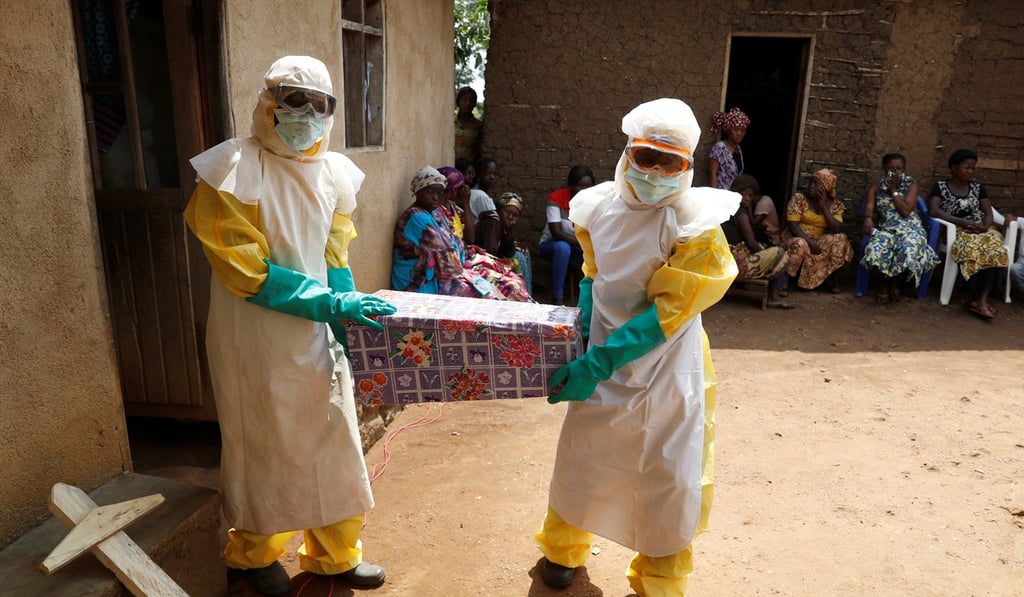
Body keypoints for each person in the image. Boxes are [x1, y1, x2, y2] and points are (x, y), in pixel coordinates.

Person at [183, 56, 395, 596]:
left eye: (318, 104)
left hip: (318, 329)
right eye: (291, 99)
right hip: (254, 336)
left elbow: (334, 250)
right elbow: (243, 269)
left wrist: (348, 315)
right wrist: (329, 304)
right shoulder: (232, 168)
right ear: (267, 102)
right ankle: (252, 557)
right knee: (267, 444)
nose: (304, 113)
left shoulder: (333, 174)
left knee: (334, 438)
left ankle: (334, 555)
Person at [536, 98, 739, 596]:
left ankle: (659, 579)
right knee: (584, 454)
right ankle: (562, 551)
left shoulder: (695, 224)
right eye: (646, 156)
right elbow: (592, 272)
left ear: (688, 167)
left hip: (668, 363)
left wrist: (600, 360)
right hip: (602, 349)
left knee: (667, 470)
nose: (655, 171)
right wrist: (584, 330)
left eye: (671, 162)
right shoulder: (596, 207)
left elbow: (670, 310)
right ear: (628, 151)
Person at [928, 149, 1008, 319]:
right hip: (957, 229)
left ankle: (982, 299)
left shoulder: (978, 188)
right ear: (953, 167)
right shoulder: (941, 186)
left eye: (973, 168)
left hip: (981, 229)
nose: (971, 171)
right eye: (967, 168)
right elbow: (934, 211)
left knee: (996, 247)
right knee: (973, 248)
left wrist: (985, 227)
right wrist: (964, 223)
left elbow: (988, 212)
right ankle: (972, 296)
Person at [860, 153, 940, 303]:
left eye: (899, 168)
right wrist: (868, 218)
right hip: (887, 229)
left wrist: (893, 191)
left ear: (904, 169)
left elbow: (905, 211)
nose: (895, 172)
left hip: (911, 229)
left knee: (907, 248)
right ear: (883, 168)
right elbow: (869, 206)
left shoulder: (912, 186)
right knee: (876, 248)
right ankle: (887, 283)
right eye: (891, 168)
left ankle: (891, 283)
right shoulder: (875, 188)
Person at [392, 167, 482, 297]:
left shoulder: (436, 212)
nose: (435, 197)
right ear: (417, 192)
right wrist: (460, 261)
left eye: (439, 192)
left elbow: (455, 242)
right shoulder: (417, 218)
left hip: (433, 275)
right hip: (415, 282)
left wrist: (458, 257)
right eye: (429, 191)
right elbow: (447, 256)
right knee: (478, 293)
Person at [782, 168, 854, 292]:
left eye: (816, 184)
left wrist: (824, 207)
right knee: (800, 243)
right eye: (810, 182)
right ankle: (783, 283)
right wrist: (811, 243)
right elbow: (793, 226)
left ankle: (831, 280)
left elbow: (836, 228)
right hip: (795, 238)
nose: (811, 186)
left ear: (826, 188)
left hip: (818, 240)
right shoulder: (799, 199)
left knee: (841, 239)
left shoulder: (835, 205)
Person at [727, 175, 792, 308]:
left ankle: (741, 285)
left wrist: (749, 208)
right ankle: (773, 297)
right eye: (743, 194)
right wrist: (767, 255)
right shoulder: (740, 214)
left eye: (750, 196)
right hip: (736, 266)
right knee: (780, 254)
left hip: (725, 261)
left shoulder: (726, 209)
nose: (746, 198)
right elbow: (751, 242)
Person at [539, 165, 594, 305]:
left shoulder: (593, 204)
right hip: (551, 245)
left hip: (577, 248)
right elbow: (556, 233)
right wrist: (583, 243)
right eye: (579, 186)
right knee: (563, 247)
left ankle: (589, 300)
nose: (583, 190)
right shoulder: (557, 198)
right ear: (571, 186)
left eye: (587, 186)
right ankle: (558, 298)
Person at [708, 106, 750, 191]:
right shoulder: (720, 148)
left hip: (733, 196)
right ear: (728, 130)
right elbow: (713, 174)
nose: (739, 133)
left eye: (742, 130)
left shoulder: (738, 149)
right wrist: (713, 195)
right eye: (736, 129)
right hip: (721, 194)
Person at [436, 165, 475, 245]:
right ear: (453, 190)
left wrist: (466, 205)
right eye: (461, 188)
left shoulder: (453, 208)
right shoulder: (436, 210)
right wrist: (466, 204)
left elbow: (471, 238)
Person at [454, 86, 482, 162]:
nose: (468, 103)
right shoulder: (450, 122)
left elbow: (479, 149)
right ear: (458, 101)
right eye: (464, 99)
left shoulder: (478, 126)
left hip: (468, 167)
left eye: (471, 101)